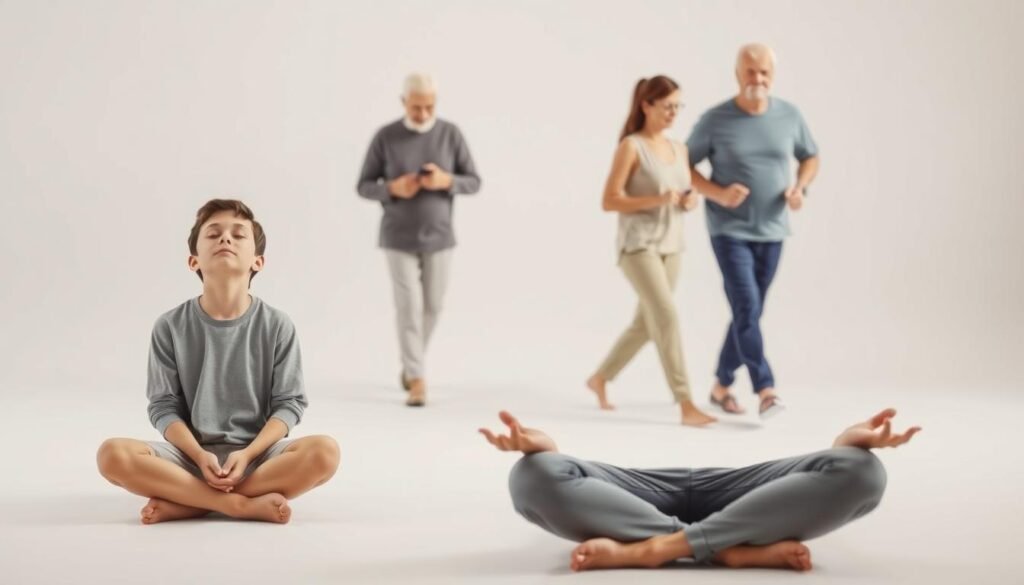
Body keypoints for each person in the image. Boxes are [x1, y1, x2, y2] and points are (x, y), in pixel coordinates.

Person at [96, 199, 340, 524]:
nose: (225, 239)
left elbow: (289, 405)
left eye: (239, 235)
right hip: (189, 458)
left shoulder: (277, 325)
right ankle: (237, 505)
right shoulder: (169, 326)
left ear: (258, 261)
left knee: (324, 453)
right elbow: (163, 407)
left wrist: (248, 453)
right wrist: (199, 455)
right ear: (193, 260)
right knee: (113, 456)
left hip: (258, 458)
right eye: (213, 234)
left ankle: (191, 502)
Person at [480, 408, 919, 572]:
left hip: (746, 491)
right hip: (635, 490)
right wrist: (539, 448)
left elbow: (837, 464)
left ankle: (655, 548)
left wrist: (849, 441)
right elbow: (552, 462)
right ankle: (726, 550)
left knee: (863, 470)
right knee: (530, 475)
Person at [687, 44, 821, 418]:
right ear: (737, 74)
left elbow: (810, 156)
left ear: (772, 75)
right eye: (750, 72)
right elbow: (682, 164)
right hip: (728, 230)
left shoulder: (789, 116)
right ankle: (766, 389)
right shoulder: (715, 120)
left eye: (764, 72)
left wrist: (800, 187)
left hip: (774, 229)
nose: (757, 79)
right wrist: (717, 192)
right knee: (747, 305)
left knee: (750, 311)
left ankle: (720, 384)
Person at [585, 75, 716, 426]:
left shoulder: (680, 149)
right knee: (667, 316)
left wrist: (688, 202)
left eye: (678, 106)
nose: (674, 112)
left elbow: (683, 192)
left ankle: (599, 378)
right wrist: (657, 200)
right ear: (647, 105)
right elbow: (609, 200)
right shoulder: (631, 146)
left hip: (672, 245)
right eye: (667, 105)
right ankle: (686, 403)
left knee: (646, 323)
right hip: (638, 246)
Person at [357, 72, 482, 407]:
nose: (423, 114)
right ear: (403, 102)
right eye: (416, 107)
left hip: (440, 236)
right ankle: (417, 379)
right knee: (408, 307)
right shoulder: (385, 136)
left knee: (433, 306)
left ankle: (411, 364)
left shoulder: (450, 134)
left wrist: (445, 181)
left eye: (429, 107)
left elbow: (474, 181)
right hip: (397, 236)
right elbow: (364, 185)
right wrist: (392, 188)